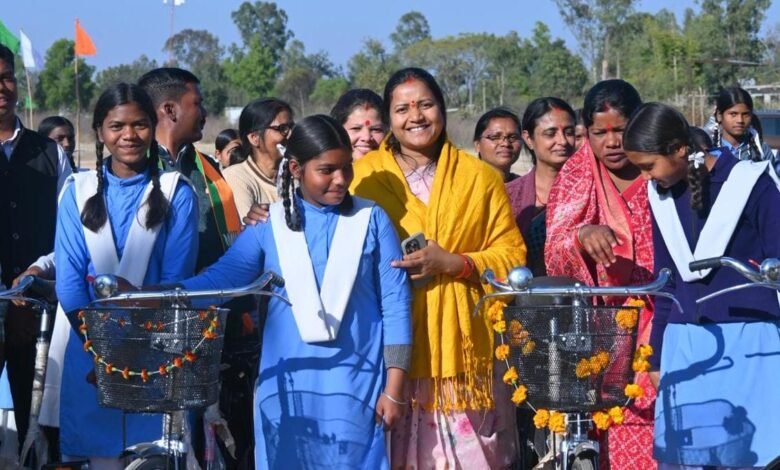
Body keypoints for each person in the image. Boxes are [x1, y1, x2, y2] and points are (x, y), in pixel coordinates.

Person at [179, 114, 412, 469]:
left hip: (357, 388)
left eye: (346, 168)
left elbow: (396, 306)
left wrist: (394, 390)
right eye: (327, 169)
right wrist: (155, 294)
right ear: (296, 168)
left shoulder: (372, 219)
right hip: (286, 390)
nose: (341, 179)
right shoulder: (270, 223)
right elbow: (217, 283)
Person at [350, 67, 525, 469]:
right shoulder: (363, 178)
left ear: (442, 110)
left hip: (463, 360)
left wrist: (456, 263)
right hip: (385, 353)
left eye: (425, 104)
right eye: (402, 108)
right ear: (389, 118)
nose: (416, 116)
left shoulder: (480, 179)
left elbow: (513, 256)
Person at [624, 102, 780, 469]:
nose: (645, 177)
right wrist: (659, 354)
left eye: (649, 166)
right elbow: (666, 283)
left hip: (752, 341)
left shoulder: (751, 181)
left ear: (679, 149)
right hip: (685, 345)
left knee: (756, 455)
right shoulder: (659, 195)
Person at [54, 83, 198, 468]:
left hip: (153, 354)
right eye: (117, 126)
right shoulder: (76, 191)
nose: (129, 136)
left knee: (149, 456)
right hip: (89, 356)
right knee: (99, 459)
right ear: (100, 131)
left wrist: (130, 353)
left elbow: (175, 281)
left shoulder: (176, 192)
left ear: (153, 127)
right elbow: (69, 284)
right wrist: (102, 356)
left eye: (139, 125)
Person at [138, 68, 254, 469]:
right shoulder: (136, 169)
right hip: (151, 329)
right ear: (169, 109)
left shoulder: (206, 169)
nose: (204, 113)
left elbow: (225, 243)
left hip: (208, 324)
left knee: (201, 440)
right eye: (197, 104)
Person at [545, 80, 656, 470]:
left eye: (620, 130)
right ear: (586, 134)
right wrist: (580, 235)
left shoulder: (663, 168)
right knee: (620, 432)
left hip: (669, 321)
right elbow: (554, 251)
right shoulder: (576, 177)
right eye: (599, 132)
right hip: (606, 332)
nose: (611, 142)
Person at [0, 43, 72, 451]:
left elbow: (70, 235)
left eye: (7, 77)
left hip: (39, 308)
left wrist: (35, 276)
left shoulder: (50, 153)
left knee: (39, 428)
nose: (3, 88)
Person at [506, 97, 576, 276]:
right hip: (524, 298)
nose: (562, 141)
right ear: (528, 139)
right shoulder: (509, 196)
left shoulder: (591, 191)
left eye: (569, 132)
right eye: (550, 133)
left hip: (580, 297)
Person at [222, 98, 294, 218]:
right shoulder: (235, 177)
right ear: (254, 138)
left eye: (292, 127)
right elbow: (250, 229)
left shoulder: (297, 175)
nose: (290, 134)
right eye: (282, 129)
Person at [711, 86, 774, 165]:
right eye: (733, 114)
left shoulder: (762, 150)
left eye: (745, 114)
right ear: (719, 116)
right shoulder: (708, 149)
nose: (740, 120)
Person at [330, 89, 387, 160]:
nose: (367, 138)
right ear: (337, 131)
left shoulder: (398, 169)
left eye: (376, 129)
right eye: (356, 128)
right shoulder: (319, 167)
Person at [473, 107, 523, 182]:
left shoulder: (526, 187)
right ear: (477, 145)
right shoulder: (466, 185)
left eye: (513, 137)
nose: (506, 143)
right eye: (495, 137)